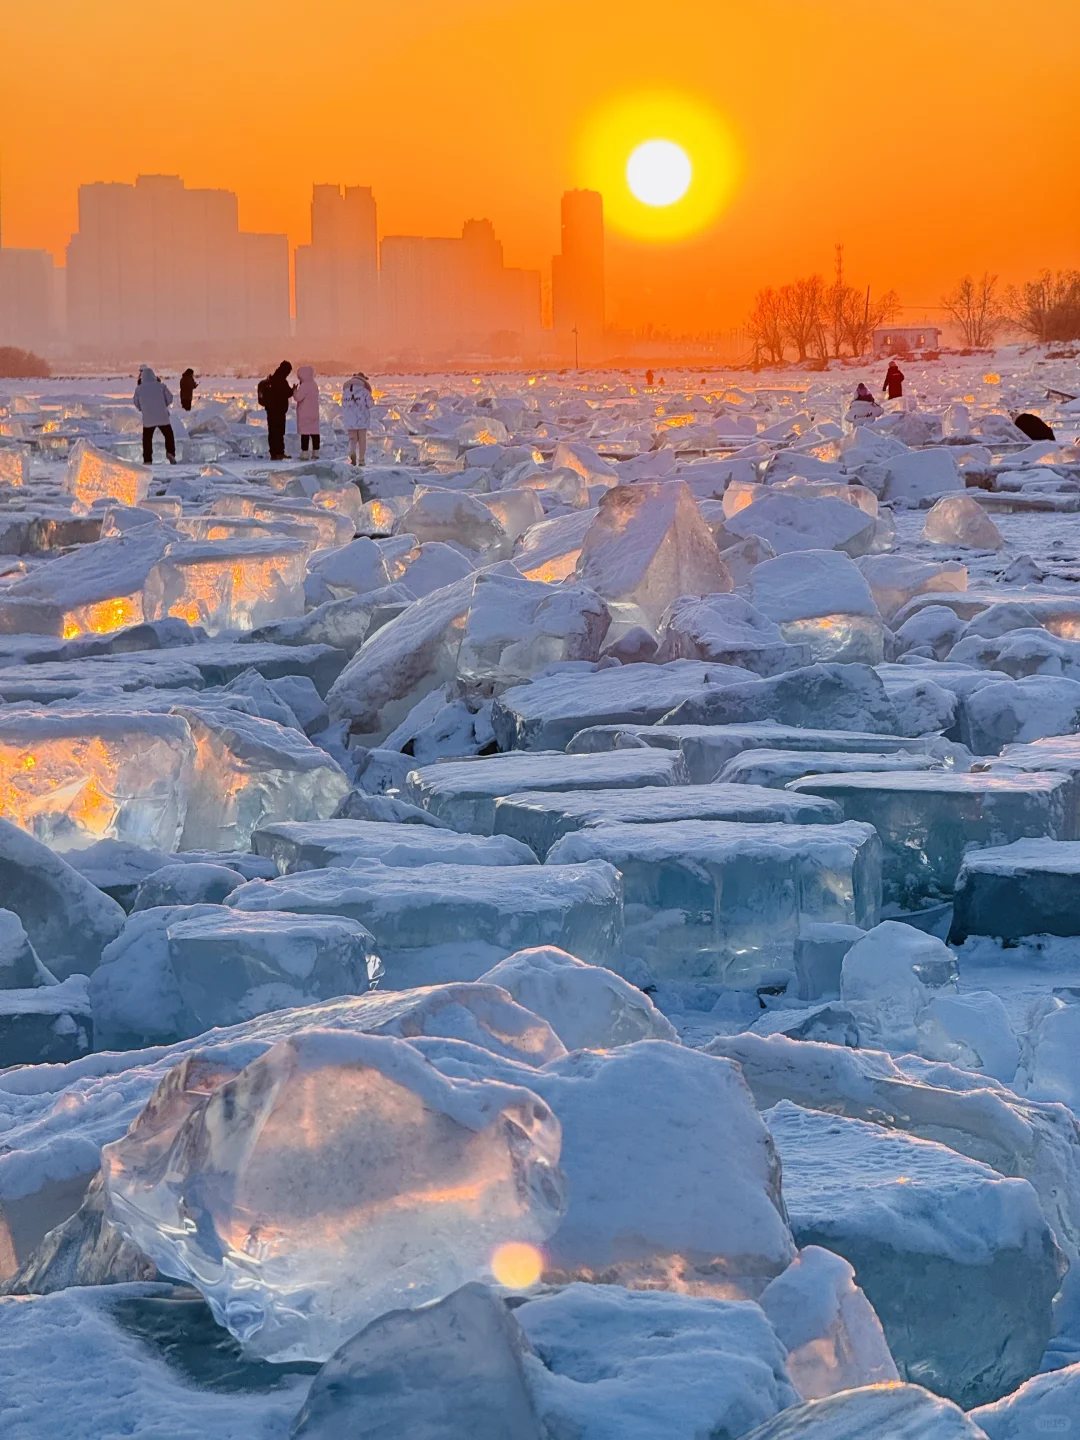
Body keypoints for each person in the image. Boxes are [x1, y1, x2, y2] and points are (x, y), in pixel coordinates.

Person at [133, 365, 176, 464]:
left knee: (147, 439)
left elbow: (136, 402)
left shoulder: (139, 389)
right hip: (162, 416)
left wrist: (143, 409)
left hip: (148, 417)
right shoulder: (161, 386)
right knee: (168, 435)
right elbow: (169, 398)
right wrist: (162, 405)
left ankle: (147, 459)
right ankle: (170, 453)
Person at [258, 361, 295, 461]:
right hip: (278, 411)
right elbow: (287, 393)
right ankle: (279, 452)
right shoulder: (281, 381)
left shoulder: (272, 378)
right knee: (279, 432)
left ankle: (273, 453)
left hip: (270, 410)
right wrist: (293, 390)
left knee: (272, 431)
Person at [342, 371, 374, 466]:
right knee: (362, 440)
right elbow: (370, 404)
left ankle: (352, 453)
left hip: (349, 419)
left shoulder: (346, 391)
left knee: (352, 439)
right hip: (361, 418)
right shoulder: (364, 390)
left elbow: (343, 404)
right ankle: (361, 460)